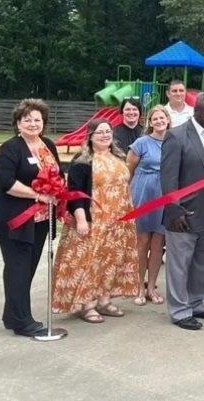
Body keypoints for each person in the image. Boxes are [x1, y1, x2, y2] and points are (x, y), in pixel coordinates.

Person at [52, 119, 140, 322]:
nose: (105, 135)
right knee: (89, 262)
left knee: (110, 262)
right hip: (94, 221)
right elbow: (75, 193)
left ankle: (104, 301)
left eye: (108, 131)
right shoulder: (82, 160)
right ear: (90, 135)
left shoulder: (118, 156)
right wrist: (81, 220)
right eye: (99, 132)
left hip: (118, 223)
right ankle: (87, 304)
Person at [0, 99, 62, 337]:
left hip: (40, 220)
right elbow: (6, 183)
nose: (32, 123)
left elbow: (57, 174)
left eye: (37, 119)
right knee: (17, 269)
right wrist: (38, 195)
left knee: (26, 269)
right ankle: (22, 322)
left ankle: (12, 315)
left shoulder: (48, 144)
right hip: (14, 218)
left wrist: (59, 193)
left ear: (44, 123)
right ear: (18, 123)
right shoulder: (10, 148)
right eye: (27, 119)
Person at [160, 92, 204, 330]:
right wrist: (173, 211)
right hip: (184, 214)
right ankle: (179, 311)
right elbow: (167, 178)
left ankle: (196, 303)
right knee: (179, 265)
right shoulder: (176, 137)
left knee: (203, 262)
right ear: (195, 111)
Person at [127, 105, 170, 306]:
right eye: (155, 119)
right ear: (150, 122)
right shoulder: (141, 143)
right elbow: (129, 171)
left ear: (168, 120)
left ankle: (152, 286)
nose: (159, 121)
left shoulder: (173, 142)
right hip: (143, 194)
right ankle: (138, 286)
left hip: (164, 195)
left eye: (162, 118)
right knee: (142, 243)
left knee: (158, 245)